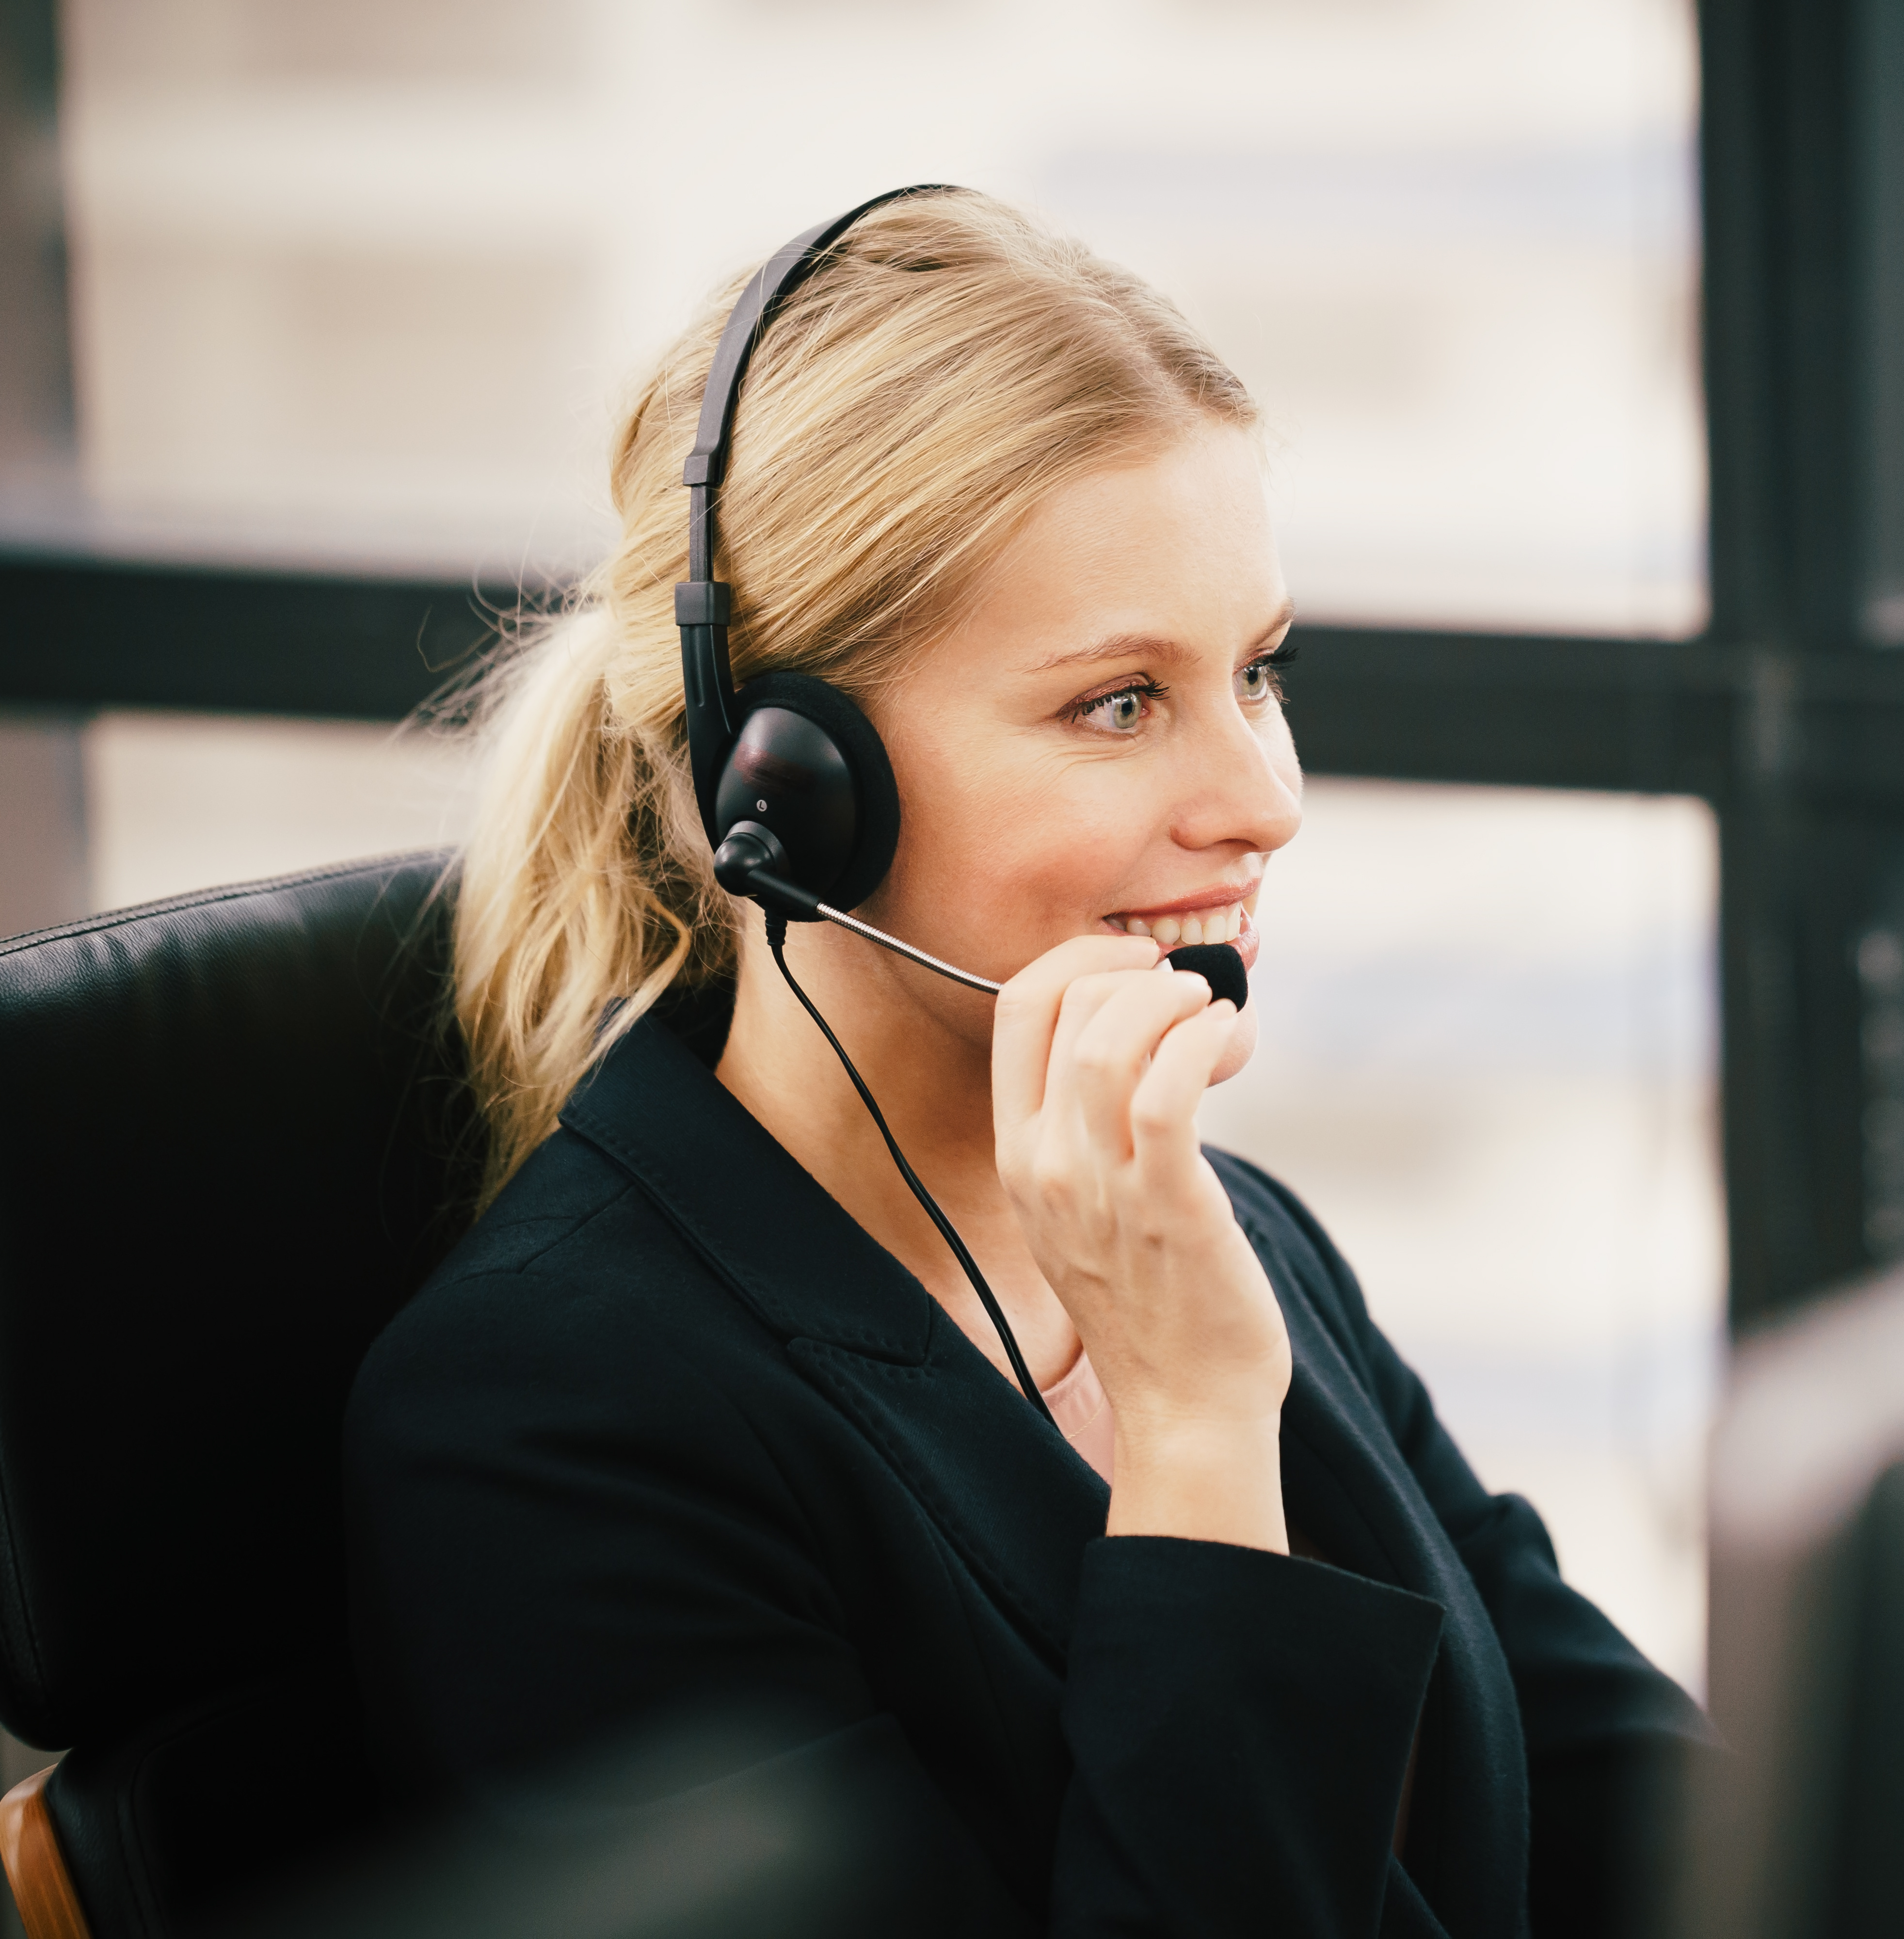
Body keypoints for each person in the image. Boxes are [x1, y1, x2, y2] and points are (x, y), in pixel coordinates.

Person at [341, 187, 1710, 1937]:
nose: (1265, 802)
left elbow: (1652, 1820)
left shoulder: (1227, 1236)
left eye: (1258, 672)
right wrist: (1196, 1437)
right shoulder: (547, 1433)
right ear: (789, 783)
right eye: (1119, 703)